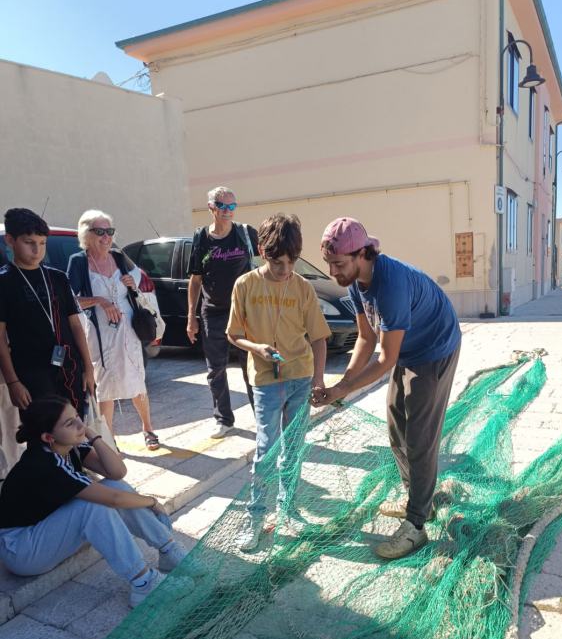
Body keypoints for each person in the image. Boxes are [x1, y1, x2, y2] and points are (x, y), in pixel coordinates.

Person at [313, 217, 461, 560]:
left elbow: (385, 360)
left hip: (434, 348)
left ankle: (416, 526)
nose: (334, 272)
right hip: (408, 347)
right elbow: (365, 338)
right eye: (329, 264)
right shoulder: (353, 282)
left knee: (420, 438)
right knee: (397, 429)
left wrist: (342, 391)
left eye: (339, 264)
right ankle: (418, 501)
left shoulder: (390, 284)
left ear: (363, 253)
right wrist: (343, 383)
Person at [0, 396, 188, 607]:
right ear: (48, 437)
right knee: (91, 506)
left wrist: (92, 435)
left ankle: (169, 550)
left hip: (45, 531)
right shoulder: (45, 464)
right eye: (70, 423)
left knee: (112, 485)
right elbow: (114, 500)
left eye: (77, 417)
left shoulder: (68, 446)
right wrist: (152, 502)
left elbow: (117, 473)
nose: (81, 424)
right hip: (21, 549)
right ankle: (143, 583)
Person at [227, 213, 330, 551]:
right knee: (266, 449)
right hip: (265, 382)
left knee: (294, 449)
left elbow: (318, 338)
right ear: (262, 251)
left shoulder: (302, 287)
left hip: (300, 377)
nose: (285, 268)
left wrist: (318, 380)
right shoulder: (245, 285)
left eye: (291, 261)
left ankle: (288, 508)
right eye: (277, 261)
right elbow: (234, 334)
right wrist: (256, 347)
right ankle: (255, 516)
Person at [67, 210, 160, 451]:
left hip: (128, 328)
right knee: (105, 382)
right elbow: (71, 300)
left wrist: (132, 284)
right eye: (100, 232)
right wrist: (100, 300)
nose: (106, 237)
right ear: (86, 234)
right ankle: (109, 438)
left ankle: (148, 429)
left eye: (110, 231)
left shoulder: (119, 258)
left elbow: (139, 286)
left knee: (136, 377)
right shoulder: (79, 261)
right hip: (100, 332)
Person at [0, 208, 95, 418]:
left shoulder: (58, 278)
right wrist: (13, 382)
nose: (37, 250)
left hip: (69, 366)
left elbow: (75, 325)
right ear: (10, 240)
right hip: (32, 373)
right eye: (29, 242)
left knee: (75, 427)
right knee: (44, 431)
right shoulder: (5, 282)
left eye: (42, 243)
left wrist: (88, 368)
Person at [187, 186, 257, 438]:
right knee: (215, 368)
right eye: (223, 206)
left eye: (232, 206)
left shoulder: (245, 234)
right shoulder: (201, 239)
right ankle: (224, 419)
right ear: (211, 207)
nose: (228, 211)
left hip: (244, 313)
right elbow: (195, 280)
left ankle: (262, 416)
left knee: (251, 366)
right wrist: (191, 318)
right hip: (213, 312)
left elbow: (266, 267)